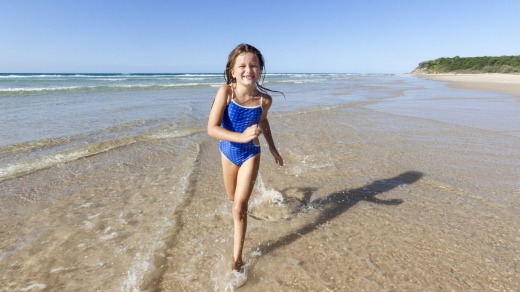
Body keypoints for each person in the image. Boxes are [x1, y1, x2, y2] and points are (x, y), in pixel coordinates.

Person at [207, 43, 284, 271]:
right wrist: (240, 136)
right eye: (242, 65)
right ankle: (241, 213)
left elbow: (263, 120)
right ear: (232, 70)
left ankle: (237, 260)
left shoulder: (264, 101)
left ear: (260, 69)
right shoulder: (226, 92)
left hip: (251, 153)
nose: (247, 69)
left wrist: (272, 147)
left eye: (253, 65)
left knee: (239, 207)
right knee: (233, 199)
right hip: (228, 152)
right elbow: (212, 128)